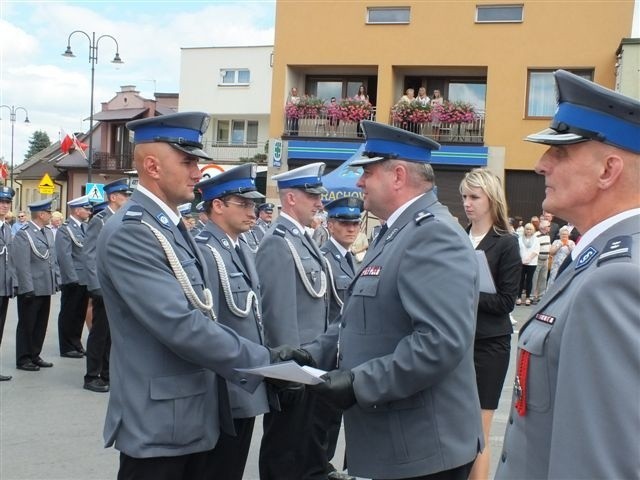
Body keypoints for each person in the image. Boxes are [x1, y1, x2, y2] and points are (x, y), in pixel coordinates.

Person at [96, 111, 306, 480]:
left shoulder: (169, 226)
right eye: (188, 160)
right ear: (152, 166)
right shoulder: (134, 231)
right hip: (159, 424)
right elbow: (180, 324)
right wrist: (263, 361)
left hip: (189, 415)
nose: (198, 171)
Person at [305, 120, 483, 480]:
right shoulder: (395, 232)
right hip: (392, 440)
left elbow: (439, 342)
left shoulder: (432, 236)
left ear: (398, 175)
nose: (358, 182)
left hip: (420, 448)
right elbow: (362, 316)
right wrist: (311, 353)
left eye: (366, 173)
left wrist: (359, 383)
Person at [496, 70, 640, 479]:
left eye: (560, 153)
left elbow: (599, 462)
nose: (541, 166)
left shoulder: (615, 281)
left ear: (608, 171)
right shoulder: (602, 259)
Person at [193, 163, 271, 480]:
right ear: (217, 205)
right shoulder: (204, 251)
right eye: (243, 204)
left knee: (232, 467)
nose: (253, 212)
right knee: (217, 469)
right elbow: (205, 321)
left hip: (245, 379)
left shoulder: (241, 248)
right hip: (222, 386)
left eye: (254, 205)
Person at [256, 162, 334, 480]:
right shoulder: (278, 242)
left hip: (311, 367)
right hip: (296, 371)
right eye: (311, 195)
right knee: (285, 452)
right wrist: (286, 376)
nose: (318, 202)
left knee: (303, 451)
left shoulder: (302, 239)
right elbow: (278, 313)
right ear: (290, 198)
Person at [459, 168, 521, 480]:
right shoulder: (458, 237)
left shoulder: (506, 242)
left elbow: (507, 301)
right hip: (456, 342)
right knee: (456, 428)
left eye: (474, 196)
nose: (467, 203)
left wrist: (464, 294)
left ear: (491, 199)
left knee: (478, 433)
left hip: (489, 346)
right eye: (464, 197)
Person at [320, 196, 363, 480]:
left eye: (356, 223)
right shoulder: (324, 258)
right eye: (344, 223)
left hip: (345, 354)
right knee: (323, 424)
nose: (351, 229)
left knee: (335, 421)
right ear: (330, 224)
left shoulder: (353, 260)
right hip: (328, 351)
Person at [82, 178, 132, 393]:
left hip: (118, 287)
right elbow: (89, 254)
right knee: (99, 333)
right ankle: (92, 376)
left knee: (112, 333)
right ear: (113, 197)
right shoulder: (101, 220)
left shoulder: (122, 219)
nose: (128, 199)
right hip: (104, 286)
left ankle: (108, 373)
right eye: (125, 195)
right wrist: (96, 286)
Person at [13, 199, 57, 372]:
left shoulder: (47, 232)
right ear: (41, 214)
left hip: (45, 285)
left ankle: (34, 354)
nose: (51, 215)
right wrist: (27, 287)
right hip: (31, 287)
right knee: (27, 323)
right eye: (48, 212)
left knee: (40, 323)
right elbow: (22, 264)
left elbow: (51, 259)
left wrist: (55, 281)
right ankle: (23, 358)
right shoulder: (24, 233)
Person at [56, 195, 92, 358]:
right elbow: (64, 256)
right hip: (73, 278)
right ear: (78, 211)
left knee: (79, 312)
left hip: (84, 278)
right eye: (86, 209)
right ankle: (66, 346)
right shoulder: (66, 228)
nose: (89, 212)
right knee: (69, 312)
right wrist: (72, 278)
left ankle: (76, 343)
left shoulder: (84, 228)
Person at [0, 187, 16, 381]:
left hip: (3, 287)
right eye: (1, 202)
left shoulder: (7, 228)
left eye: (7, 203)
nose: (4, 206)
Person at [516, 223, 540, 306]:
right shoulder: (519, 239)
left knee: (529, 280)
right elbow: (517, 250)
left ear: (533, 230)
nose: (528, 231)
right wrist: (522, 260)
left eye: (530, 229)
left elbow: (536, 251)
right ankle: (518, 297)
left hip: (532, 263)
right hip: (521, 262)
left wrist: (528, 259)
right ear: (524, 230)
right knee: (520, 280)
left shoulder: (536, 239)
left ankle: (528, 298)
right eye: (527, 229)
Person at [531, 218, 551, 303]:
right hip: (537, 260)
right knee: (534, 278)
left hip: (545, 260)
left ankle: (541, 296)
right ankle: (532, 296)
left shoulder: (548, 235)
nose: (550, 227)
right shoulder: (536, 235)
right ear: (543, 227)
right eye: (548, 226)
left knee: (543, 278)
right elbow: (533, 247)